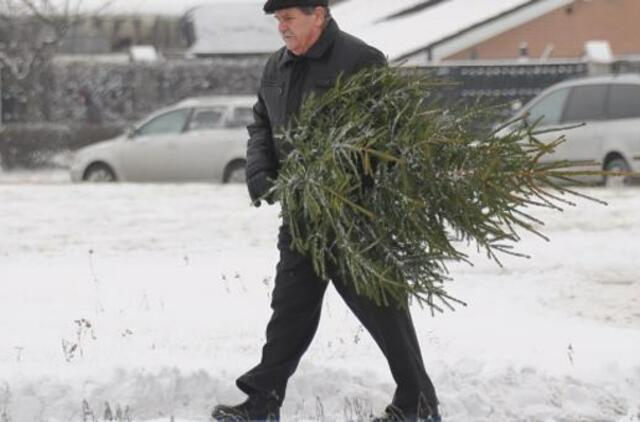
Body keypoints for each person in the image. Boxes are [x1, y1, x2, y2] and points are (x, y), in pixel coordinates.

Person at [211, 1, 441, 421]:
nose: (281, 27)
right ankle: (263, 401)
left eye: (289, 18)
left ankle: (419, 404)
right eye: (277, 20)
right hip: (301, 215)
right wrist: (260, 170)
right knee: (290, 309)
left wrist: (339, 179)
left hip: (353, 214)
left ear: (319, 14)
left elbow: (384, 139)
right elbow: (261, 124)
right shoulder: (276, 67)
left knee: (383, 310)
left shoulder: (360, 60)